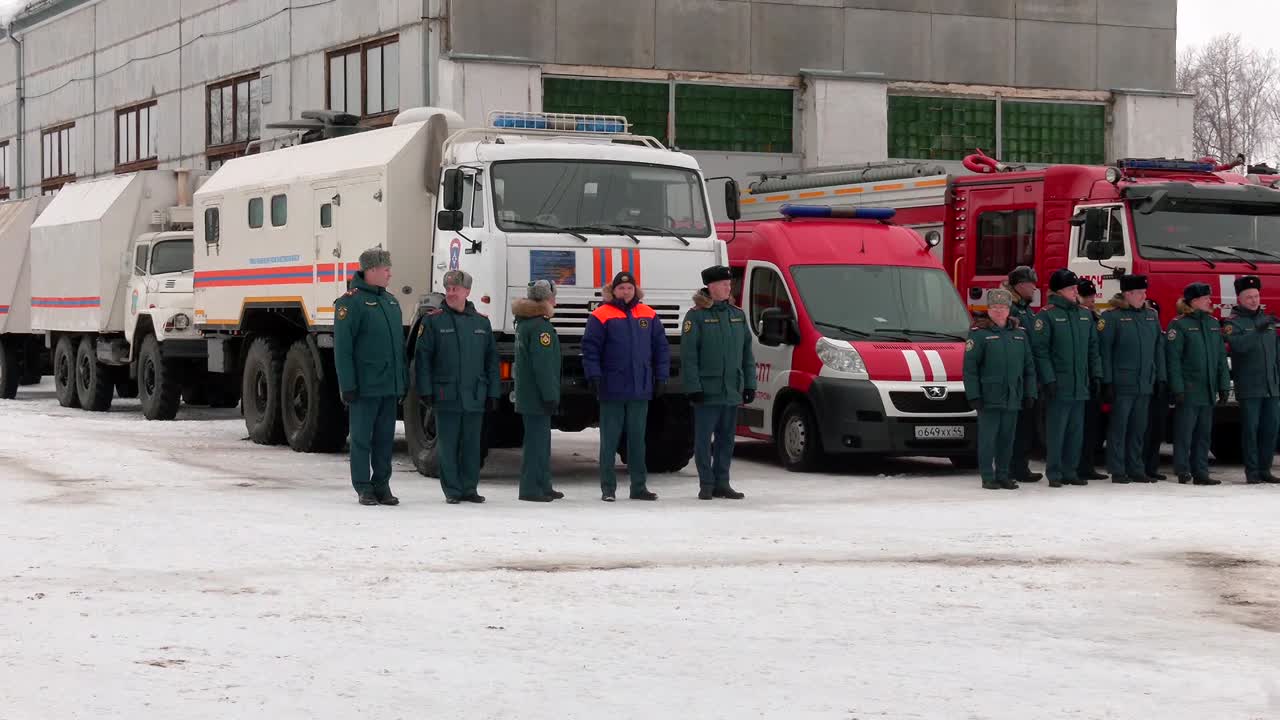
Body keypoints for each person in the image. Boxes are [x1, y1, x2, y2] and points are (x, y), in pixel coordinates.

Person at [582, 271, 670, 502]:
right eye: (621, 288)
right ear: (613, 291)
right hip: (611, 389)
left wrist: (661, 377)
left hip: (640, 390)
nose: (626, 292)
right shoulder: (601, 315)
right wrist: (594, 376)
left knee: (637, 441)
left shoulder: (648, 315)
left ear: (635, 290)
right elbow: (590, 350)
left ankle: (638, 487)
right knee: (609, 441)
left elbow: (661, 349)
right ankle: (608, 488)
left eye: (629, 288)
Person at [415, 270, 501, 503]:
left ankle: (469, 488)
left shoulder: (481, 323)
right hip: (447, 395)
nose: (451, 293)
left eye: (456, 289)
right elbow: (423, 360)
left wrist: (494, 392)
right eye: (448, 288)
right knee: (448, 445)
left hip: (474, 395)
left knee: (472, 445)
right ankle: (452, 490)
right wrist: (425, 391)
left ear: (467, 291)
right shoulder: (434, 321)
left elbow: (491, 361)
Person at [334, 248, 408, 506]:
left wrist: (402, 381)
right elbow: (343, 349)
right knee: (362, 439)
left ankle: (382, 484)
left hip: (388, 385)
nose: (389, 273)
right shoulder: (350, 303)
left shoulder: (390, 302)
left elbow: (398, 348)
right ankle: (363, 486)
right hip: (365, 387)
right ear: (371, 271)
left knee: (385, 439)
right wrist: (348, 385)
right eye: (385, 269)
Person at [682, 265, 755, 500]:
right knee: (704, 440)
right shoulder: (696, 316)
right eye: (724, 284)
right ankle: (707, 483)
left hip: (731, 388)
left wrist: (750, 384)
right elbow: (689, 357)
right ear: (711, 287)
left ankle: (723, 482)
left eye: (729, 284)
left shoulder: (737, 315)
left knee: (727, 440)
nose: (728, 287)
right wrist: (693, 388)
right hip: (707, 390)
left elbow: (746, 354)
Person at [1031, 268, 1102, 488]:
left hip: (1080, 384)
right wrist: (1049, 379)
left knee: (1075, 431)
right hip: (1059, 385)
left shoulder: (1084, 314)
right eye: (1071, 288)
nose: (1075, 291)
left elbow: (1093, 348)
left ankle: (1071, 470)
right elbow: (1040, 351)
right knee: (1057, 431)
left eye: (1075, 288)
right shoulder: (1047, 315)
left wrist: (1096, 375)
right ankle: (1055, 472)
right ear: (1060, 291)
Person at [963, 289, 1036, 490]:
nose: (998, 311)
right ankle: (988, 476)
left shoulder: (1019, 334)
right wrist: (974, 395)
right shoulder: (979, 334)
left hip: (1013, 396)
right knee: (988, 439)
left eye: (1002, 307)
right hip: (989, 397)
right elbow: (970, 369)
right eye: (994, 307)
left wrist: (1030, 393)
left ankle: (1003, 474)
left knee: (1007, 439)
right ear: (988, 309)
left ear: (1009, 309)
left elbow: (1029, 367)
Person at [1099, 274, 1165, 484]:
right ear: (1127, 294)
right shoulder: (1112, 317)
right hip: (1122, 383)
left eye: (1144, 293)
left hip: (1145, 382)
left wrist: (1161, 377)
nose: (1143, 296)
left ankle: (1136, 467)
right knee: (1119, 428)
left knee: (1139, 428)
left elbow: (1158, 349)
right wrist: (1107, 382)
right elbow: (1105, 352)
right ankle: (1118, 469)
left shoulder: (1151, 316)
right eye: (1139, 293)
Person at [1166, 282, 1230, 486]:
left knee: (1204, 433)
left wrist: (1223, 385)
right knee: (1185, 433)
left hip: (1208, 388)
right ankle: (1183, 469)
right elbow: (1173, 360)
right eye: (1206, 298)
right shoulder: (1179, 325)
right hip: (1190, 389)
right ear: (1194, 301)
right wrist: (1177, 387)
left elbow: (1221, 358)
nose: (1210, 301)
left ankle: (1201, 471)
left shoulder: (1212, 323)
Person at [1223, 275, 1280, 484]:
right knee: (1251, 430)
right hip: (1250, 387)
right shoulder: (1233, 323)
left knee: (1271, 429)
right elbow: (1238, 347)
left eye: (1256, 296)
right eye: (1249, 297)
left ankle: (1265, 469)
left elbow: (1276, 353)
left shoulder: (1268, 321)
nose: (1254, 300)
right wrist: (1258, 330)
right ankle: (1253, 471)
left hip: (1271, 387)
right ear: (1240, 299)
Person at [512, 279, 564, 502]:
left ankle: (543, 484)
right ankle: (531, 488)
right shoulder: (541, 327)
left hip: (529, 396)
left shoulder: (525, 323)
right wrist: (551, 395)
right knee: (536, 444)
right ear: (547, 298)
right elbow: (543, 367)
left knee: (541, 443)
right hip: (537, 397)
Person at [1003, 265, 1043, 483]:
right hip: (1015, 374)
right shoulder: (1011, 308)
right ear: (1019, 286)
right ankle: (1010, 467)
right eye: (1031, 284)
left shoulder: (1026, 308)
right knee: (1014, 426)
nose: (1035, 288)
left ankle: (1020, 466)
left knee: (1026, 425)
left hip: (1027, 372)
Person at [1076, 279, 1108, 481]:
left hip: (1093, 377)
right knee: (1079, 427)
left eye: (1092, 296)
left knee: (1093, 427)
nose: (1091, 300)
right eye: (1086, 296)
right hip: (1080, 378)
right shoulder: (1080, 317)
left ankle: (1088, 465)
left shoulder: (1095, 317)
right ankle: (1078, 465)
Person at [1142, 297, 1171, 480]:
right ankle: (1141, 465)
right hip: (1145, 386)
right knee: (1143, 430)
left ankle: (1152, 467)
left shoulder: (1163, 336)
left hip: (1160, 388)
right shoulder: (1143, 336)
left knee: (1157, 431)